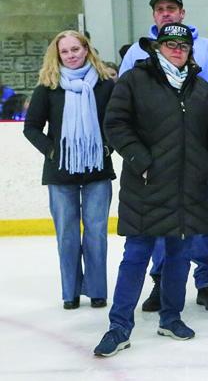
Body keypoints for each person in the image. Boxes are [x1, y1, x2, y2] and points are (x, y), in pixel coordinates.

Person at [94, 23, 208, 356]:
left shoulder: (200, 88)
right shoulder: (135, 80)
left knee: (180, 256)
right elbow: (115, 123)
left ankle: (171, 317)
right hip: (147, 185)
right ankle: (119, 326)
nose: (177, 50)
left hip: (188, 187)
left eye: (184, 45)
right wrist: (141, 160)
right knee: (136, 256)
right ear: (158, 47)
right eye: (170, 44)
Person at [120, 0, 208, 313]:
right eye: (160, 9)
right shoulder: (136, 55)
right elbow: (123, 111)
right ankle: (161, 282)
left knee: (201, 222)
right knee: (157, 226)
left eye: (171, 8)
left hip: (194, 156)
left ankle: (206, 281)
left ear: (182, 12)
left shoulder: (206, 48)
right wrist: (142, 158)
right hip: (158, 160)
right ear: (154, 15)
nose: (166, 13)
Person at [23, 31, 116, 310]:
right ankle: (71, 292)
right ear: (57, 55)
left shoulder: (105, 85)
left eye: (76, 49)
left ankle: (97, 290)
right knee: (66, 234)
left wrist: (107, 148)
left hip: (97, 171)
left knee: (96, 234)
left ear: (86, 49)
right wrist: (53, 151)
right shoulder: (48, 86)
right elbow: (31, 128)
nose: (71, 55)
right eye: (65, 51)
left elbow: (117, 122)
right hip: (60, 173)